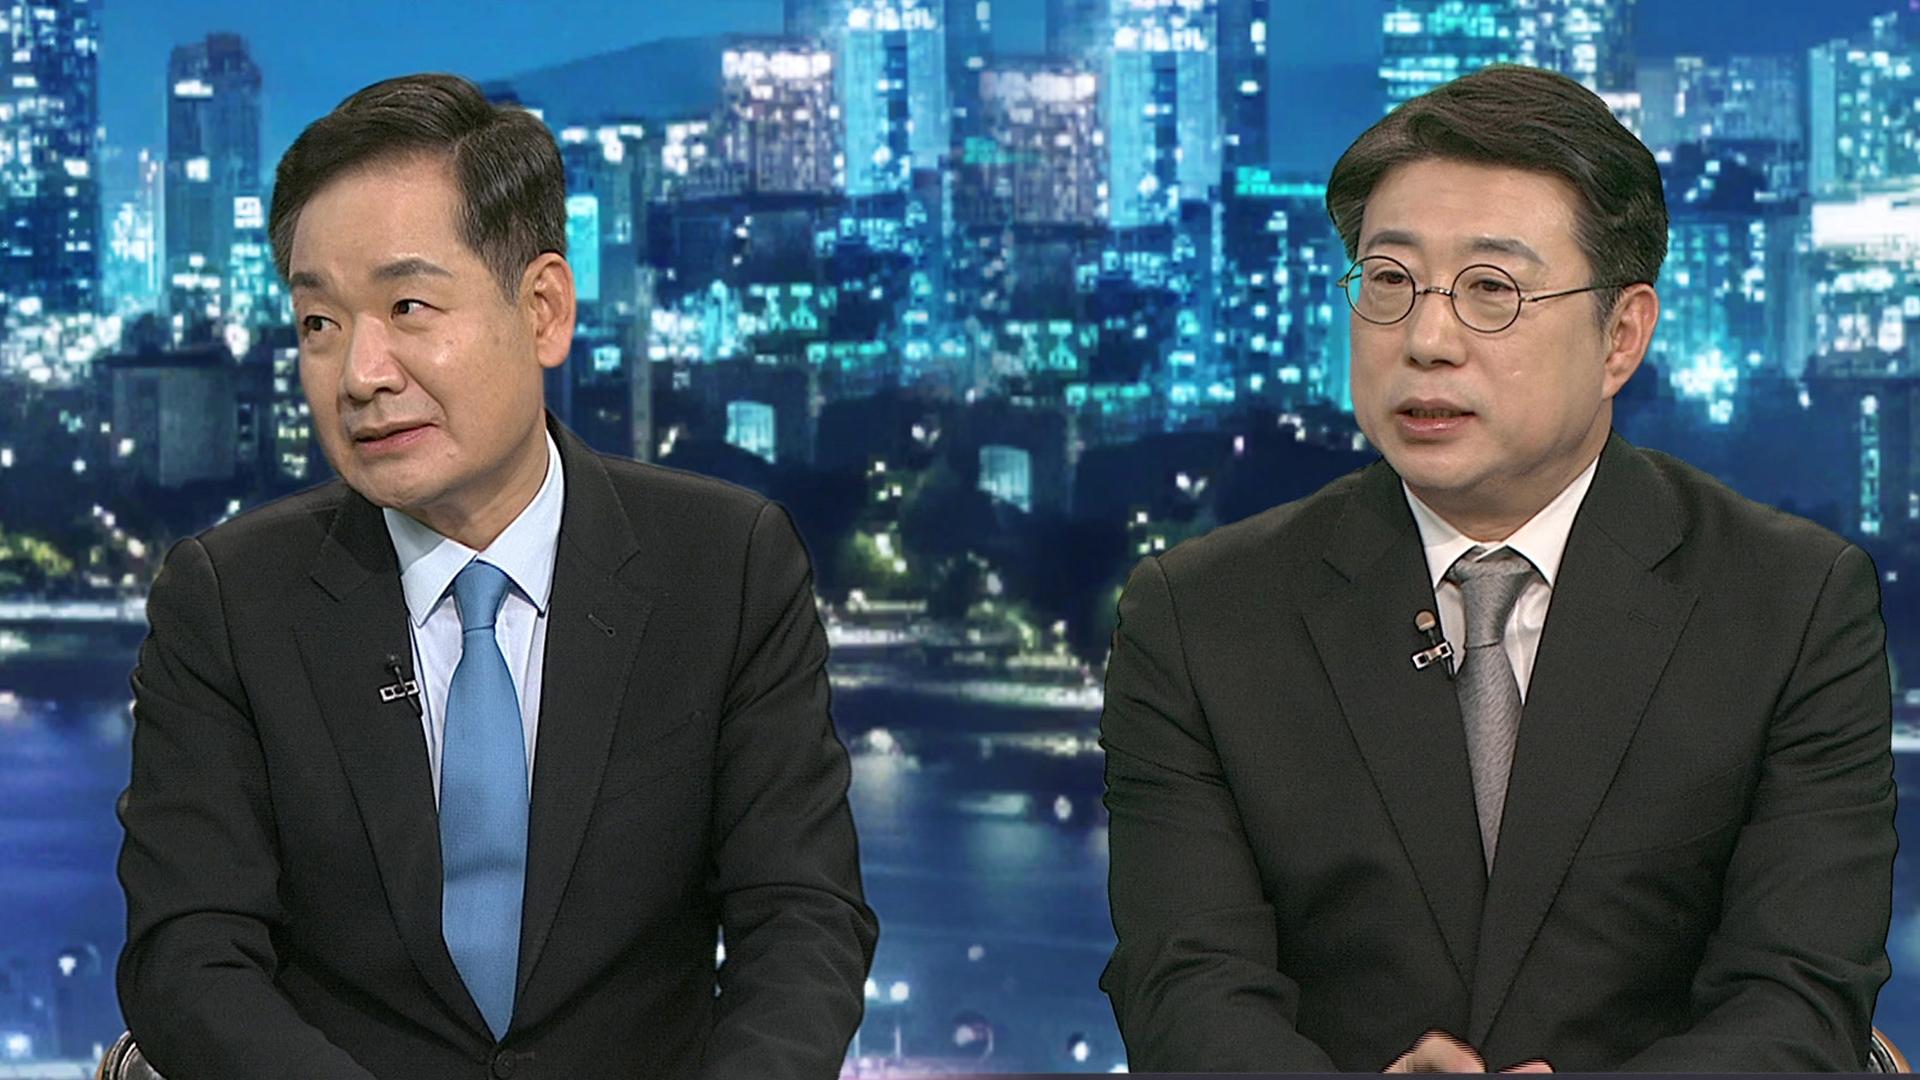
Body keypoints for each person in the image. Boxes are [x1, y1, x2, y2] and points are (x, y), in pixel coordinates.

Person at [1099, 64, 1894, 1072]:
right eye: (1389, 283)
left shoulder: (1791, 605)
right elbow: (1185, 990)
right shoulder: (1198, 616)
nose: (1426, 340)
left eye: (1492, 291)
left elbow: (1799, 1000)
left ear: (1621, 335)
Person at [116, 73, 877, 1079]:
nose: (361, 374)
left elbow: (802, 922)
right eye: (318, 324)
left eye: (408, 305)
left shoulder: (726, 565)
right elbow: (189, 957)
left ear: (543, 310)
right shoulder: (226, 599)